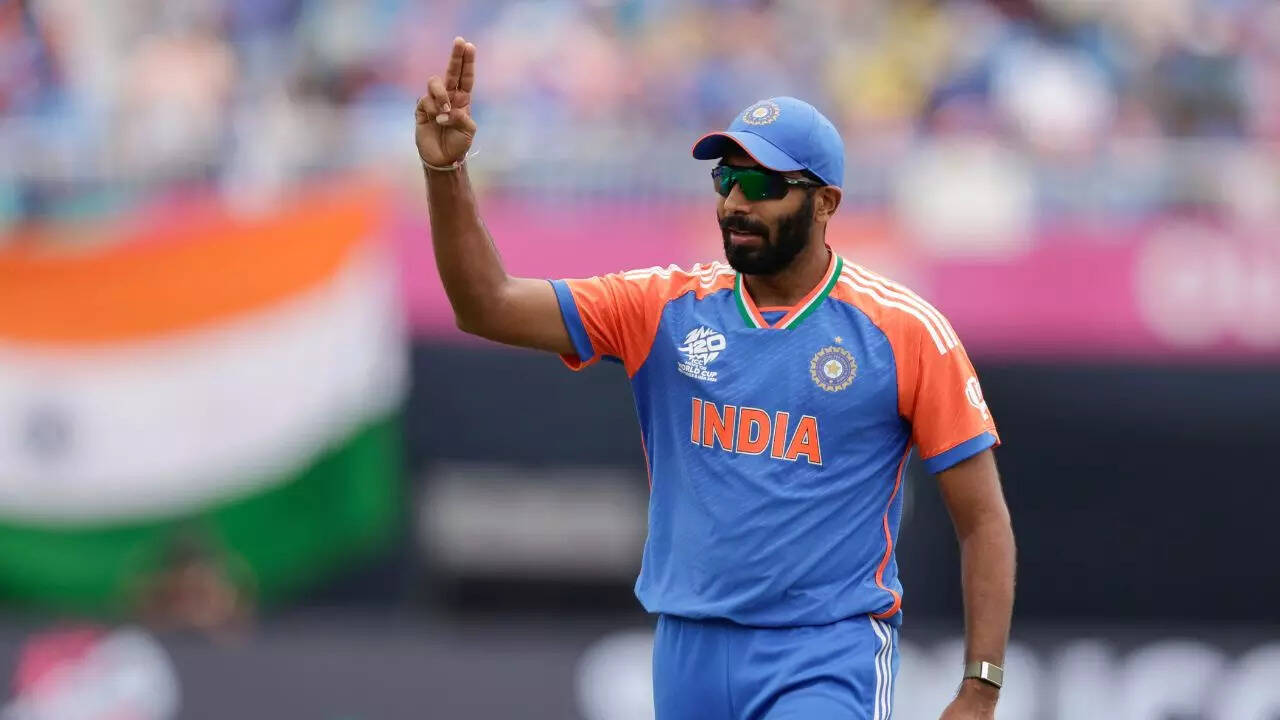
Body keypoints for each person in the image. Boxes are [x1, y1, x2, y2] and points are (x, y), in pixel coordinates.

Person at [417, 37, 1015, 720]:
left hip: (825, 655)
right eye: (725, 180)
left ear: (825, 203)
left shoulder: (904, 332)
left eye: (761, 186)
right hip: (687, 653)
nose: (735, 202)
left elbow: (983, 520)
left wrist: (981, 687)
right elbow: (486, 304)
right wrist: (445, 170)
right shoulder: (663, 306)